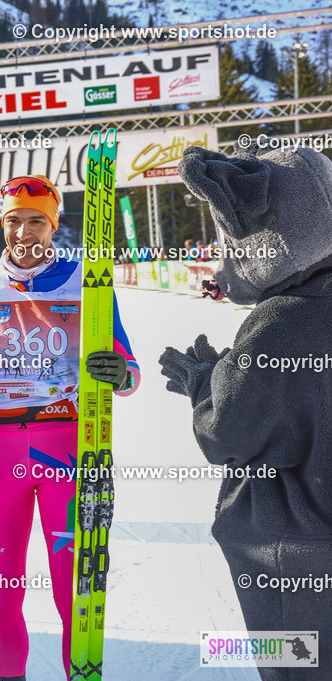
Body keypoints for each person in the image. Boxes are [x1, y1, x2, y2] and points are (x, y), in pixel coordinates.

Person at [0, 175, 140, 680]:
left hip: (68, 451)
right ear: (2, 224)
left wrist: (119, 372)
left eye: (36, 221)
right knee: (4, 596)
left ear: (54, 223)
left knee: (74, 596)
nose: (23, 232)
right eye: (13, 221)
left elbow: (128, 367)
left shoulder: (87, 281)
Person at [161, 144, 332, 680]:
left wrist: (203, 383)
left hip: (294, 553)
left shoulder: (280, 323)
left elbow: (228, 432)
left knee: (293, 666)